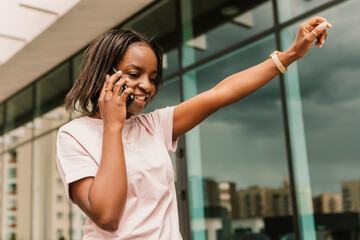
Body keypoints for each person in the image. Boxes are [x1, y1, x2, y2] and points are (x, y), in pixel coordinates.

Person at [56, 16, 332, 239]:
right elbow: (107, 216)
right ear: (105, 73)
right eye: (134, 74)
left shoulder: (154, 125)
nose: (147, 86)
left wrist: (292, 54)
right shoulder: (74, 135)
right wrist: (113, 127)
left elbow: (222, 92)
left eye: (152, 77)